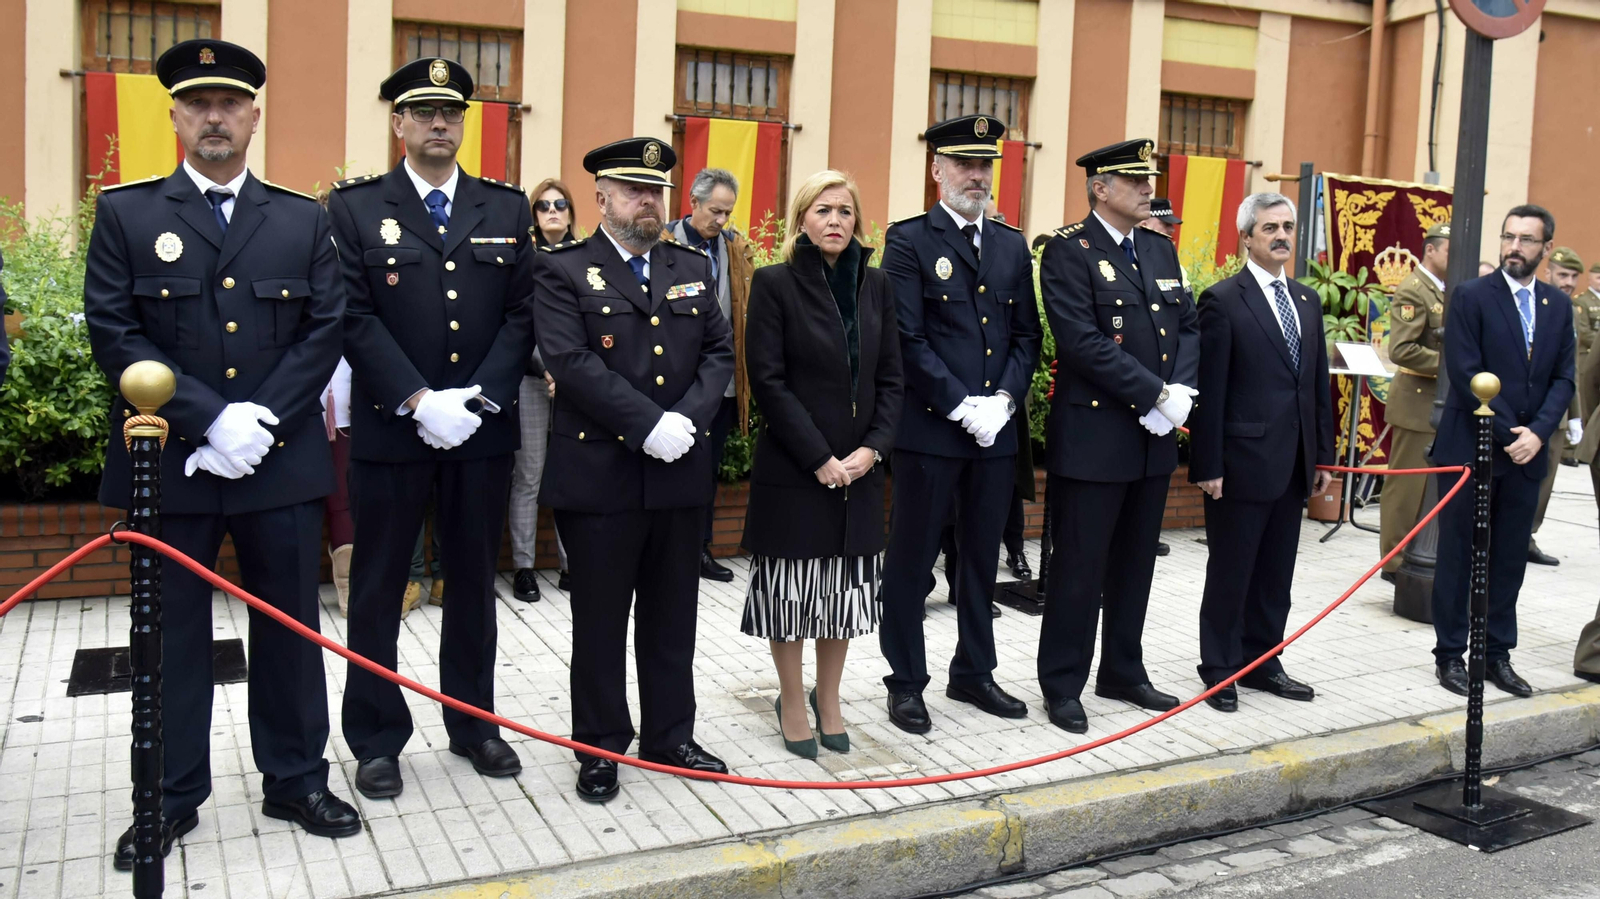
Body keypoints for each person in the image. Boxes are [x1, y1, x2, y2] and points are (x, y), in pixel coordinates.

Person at [82, 39, 359, 868]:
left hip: (276, 462)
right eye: (198, 103)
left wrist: (257, 422)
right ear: (173, 115)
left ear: (253, 116)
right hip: (171, 464)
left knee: (289, 626)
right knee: (168, 637)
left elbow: (324, 328)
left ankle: (297, 776)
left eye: (230, 104)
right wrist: (209, 421)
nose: (214, 117)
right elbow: (113, 331)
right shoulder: (127, 213)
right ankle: (166, 796)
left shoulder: (302, 218)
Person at [328, 56, 535, 799]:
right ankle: (376, 735)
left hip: (479, 434)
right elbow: (351, 314)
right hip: (392, 431)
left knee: (477, 585)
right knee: (379, 586)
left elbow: (520, 315)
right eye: (423, 112)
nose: (439, 124)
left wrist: (474, 400)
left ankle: (474, 722)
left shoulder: (505, 210)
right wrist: (419, 399)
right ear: (399, 123)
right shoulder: (352, 209)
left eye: (451, 113)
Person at [533, 137, 735, 803]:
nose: (645, 200)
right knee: (599, 619)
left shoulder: (689, 263)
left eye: (654, 190)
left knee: (673, 614)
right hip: (601, 476)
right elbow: (570, 360)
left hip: (678, 470)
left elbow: (717, 351)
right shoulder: (565, 270)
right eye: (630, 189)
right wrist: (648, 423)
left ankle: (670, 734)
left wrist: (689, 419)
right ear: (602, 197)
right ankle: (598, 744)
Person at [877, 114, 1041, 734]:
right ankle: (906, 682)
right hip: (931, 431)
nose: (977, 175)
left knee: (980, 558)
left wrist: (1001, 400)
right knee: (913, 559)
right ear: (937, 169)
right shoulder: (909, 241)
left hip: (994, 432)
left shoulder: (1009, 243)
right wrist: (959, 403)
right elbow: (906, 337)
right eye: (965, 164)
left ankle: (974, 672)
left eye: (985, 165)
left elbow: (1027, 335)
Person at [1033, 140, 1197, 733]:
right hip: (1096, 434)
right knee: (1080, 566)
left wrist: (1179, 393)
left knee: (1135, 564)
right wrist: (1155, 393)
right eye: (1133, 179)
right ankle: (1062, 682)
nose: (1146, 188)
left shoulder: (1158, 248)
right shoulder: (1068, 251)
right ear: (1100, 188)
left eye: (1147, 179)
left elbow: (1188, 325)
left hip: (1152, 438)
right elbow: (1080, 340)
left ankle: (1123, 670)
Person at [740, 170, 904, 757]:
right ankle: (790, 698)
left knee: (840, 599)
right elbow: (769, 380)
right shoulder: (775, 283)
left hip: (858, 472)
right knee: (790, 596)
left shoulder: (877, 286)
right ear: (801, 220)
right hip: (796, 469)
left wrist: (872, 449)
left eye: (845, 211)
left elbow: (892, 379)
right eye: (822, 210)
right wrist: (818, 457)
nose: (835, 221)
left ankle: (827, 697)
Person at [1189, 193, 1334, 712]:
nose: (1281, 235)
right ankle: (1220, 669)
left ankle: (1263, 661)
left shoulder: (1308, 300)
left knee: (1276, 574)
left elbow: (1316, 387)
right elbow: (1211, 389)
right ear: (1246, 237)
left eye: (1288, 226)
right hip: (1241, 464)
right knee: (1232, 571)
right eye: (1269, 226)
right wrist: (1208, 465)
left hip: (1294, 463)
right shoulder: (1223, 300)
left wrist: (1323, 459)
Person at [1431, 204, 1576, 698]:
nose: (1514, 247)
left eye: (1526, 240)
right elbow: (1466, 369)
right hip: (1472, 449)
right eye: (1508, 237)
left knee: (1508, 558)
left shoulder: (1558, 306)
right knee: (1458, 554)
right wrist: (1516, 431)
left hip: (1528, 454)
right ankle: (1450, 655)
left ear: (1545, 248)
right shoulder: (1472, 296)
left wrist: (1538, 433)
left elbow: (1563, 377)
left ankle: (1496, 655)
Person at [667, 167, 756, 582]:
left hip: (722, 384)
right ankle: (671, 552)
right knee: (672, 468)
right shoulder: (663, 242)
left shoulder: (735, 248)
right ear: (694, 204)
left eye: (728, 213)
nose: (721, 221)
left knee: (707, 467)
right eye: (715, 211)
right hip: (675, 383)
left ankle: (699, 550)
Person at [508, 177, 576, 602]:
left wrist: (570, 375)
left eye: (561, 204)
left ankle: (573, 564)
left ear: (571, 212)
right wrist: (547, 371)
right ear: (534, 214)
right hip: (532, 382)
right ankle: (524, 567)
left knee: (571, 475)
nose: (552, 211)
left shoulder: (588, 259)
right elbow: (518, 326)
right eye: (544, 205)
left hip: (577, 385)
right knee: (529, 476)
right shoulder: (523, 261)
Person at [1378, 223, 1449, 583]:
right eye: (1449, 250)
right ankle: (1393, 561)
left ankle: (1419, 550)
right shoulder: (1414, 290)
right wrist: (1450, 366)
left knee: (1429, 486)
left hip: (1438, 404)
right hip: (1417, 402)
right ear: (1431, 251)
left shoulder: (1444, 290)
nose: (1454, 257)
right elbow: (1402, 350)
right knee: (1405, 488)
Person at [1525, 246, 1587, 566]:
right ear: (1547, 272)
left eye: (1574, 276)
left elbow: (1571, 369)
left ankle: (1528, 537)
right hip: (1531, 406)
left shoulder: (1569, 309)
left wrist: (1576, 415)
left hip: (1559, 410)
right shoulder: (1534, 303)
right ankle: (1510, 535)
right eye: (1563, 274)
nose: (1568, 282)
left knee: (1546, 482)